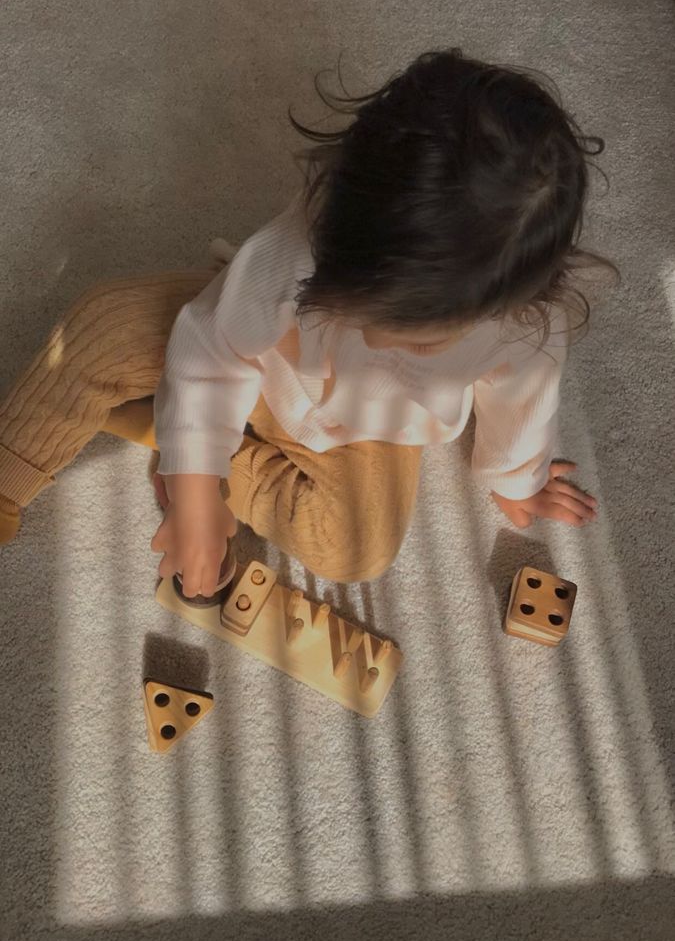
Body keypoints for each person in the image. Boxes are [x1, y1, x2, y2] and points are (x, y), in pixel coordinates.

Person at [0, 49, 618, 591]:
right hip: (258, 359)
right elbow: (213, 343)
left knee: (357, 549)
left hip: (359, 433)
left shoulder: (524, 330)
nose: (371, 338)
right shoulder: (306, 240)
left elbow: (522, 406)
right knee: (99, 325)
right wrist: (194, 502)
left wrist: (517, 478)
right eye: (348, 302)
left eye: (417, 343)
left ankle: (188, 437)